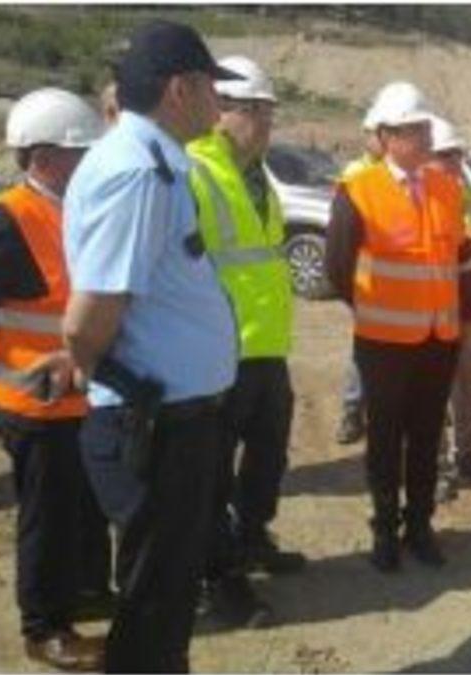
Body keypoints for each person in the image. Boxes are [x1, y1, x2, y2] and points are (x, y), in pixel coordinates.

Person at [61, 20, 242, 671]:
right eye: (212, 87)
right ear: (178, 90)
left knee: (165, 588)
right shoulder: (139, 173)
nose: (219, 102)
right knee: (155, 597)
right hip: (156, 424)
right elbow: (90, 316)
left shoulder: (153, 162)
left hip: (172, 420)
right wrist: (99, 371)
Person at [0, 88, 108, 672]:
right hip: (35, 405)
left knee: (85, 509)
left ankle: (85, 591)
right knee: (48, 518)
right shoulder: (4, 221)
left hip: (83, 400)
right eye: (82, 153)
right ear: (45, 158)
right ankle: (45, 628)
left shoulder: (78, 211)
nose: (93, 163)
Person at [324, 81, 463, 573]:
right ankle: (384, 529)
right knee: (384, 440)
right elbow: (337, 266)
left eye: (425, 127)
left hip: (440, 339)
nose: (424, 137)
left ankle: (419, 526)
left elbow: (453, 254)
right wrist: (370, 307)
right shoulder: (359, 189)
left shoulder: (447, 187)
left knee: (426, 436)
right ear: (385, 137)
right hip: (383, 342)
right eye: (412, 130)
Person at [187, 55, 304, 628]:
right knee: (210, 474)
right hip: (217, 354)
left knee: (268, 457)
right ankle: (219, 577)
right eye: (257, 112)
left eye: (269, 114)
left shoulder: (259, 177)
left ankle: (253, 537)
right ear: (222, 109)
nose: (266, 125)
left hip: (267, 348)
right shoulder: (194, 170)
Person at [427, 115, 471, 503]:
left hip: (470, 308)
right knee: (434, 392)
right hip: (433, 313)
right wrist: (469, 247)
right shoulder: (419, 199)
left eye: (457, 154)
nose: (454, 161)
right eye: (445, 155)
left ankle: (468, 452)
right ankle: (437, 466)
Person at [334, 104, 384, 445]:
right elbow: (343, 239)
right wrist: (351, 289)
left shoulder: (401, 173)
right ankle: (353, 410)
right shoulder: (355, 174)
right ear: (370, 136)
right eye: (376, 133)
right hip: (365, 281)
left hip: (396, 283)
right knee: (363, 348)